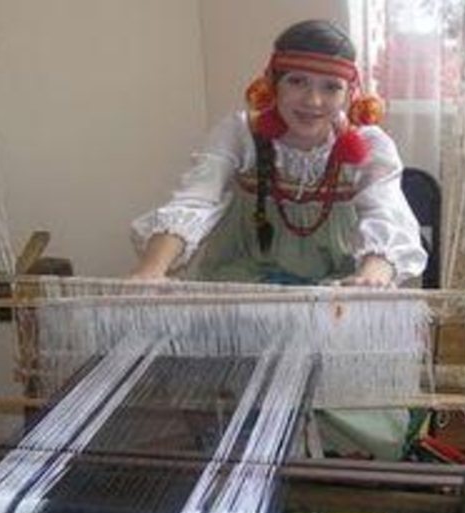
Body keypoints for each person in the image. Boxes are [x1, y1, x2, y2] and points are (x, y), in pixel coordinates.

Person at [129, 19, 427, 459]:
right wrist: (151, 271)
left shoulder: (370, 144)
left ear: (351, 93)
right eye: (297, 81)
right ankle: (245, 453)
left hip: (332, 293)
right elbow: (197, 197)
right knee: (194, 350)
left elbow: (387, 211)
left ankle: (323, 466)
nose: (313, 100)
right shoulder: (240, 134)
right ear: (273, 83)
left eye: (330, 87)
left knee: (349, 362)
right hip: (246, 289)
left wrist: (372, 276)